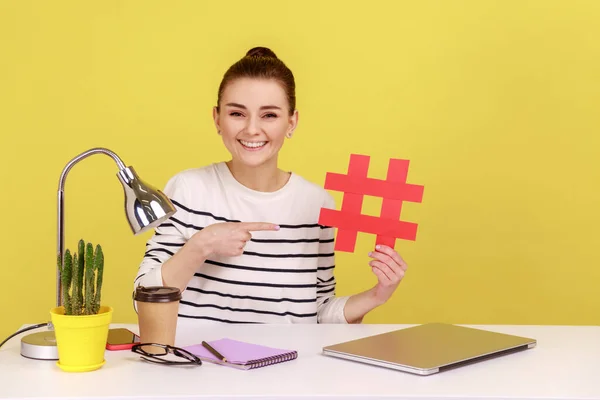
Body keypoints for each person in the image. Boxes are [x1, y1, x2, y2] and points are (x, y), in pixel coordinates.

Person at [134, 46, 408, 324]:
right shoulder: (188, 189)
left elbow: (319, 312)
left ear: (292, 122)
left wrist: (377, 295)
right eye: (237, 114)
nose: (252, 129)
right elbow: (143, 297)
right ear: (217, 119)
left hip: (286, 364)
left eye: (269, 115)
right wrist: (201, 244)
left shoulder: (317, 204)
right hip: (199, 362)